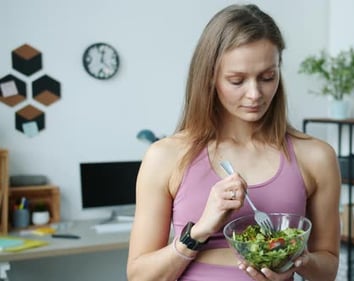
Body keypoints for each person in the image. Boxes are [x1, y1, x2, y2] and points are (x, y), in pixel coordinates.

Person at [127, 3, 340, 281]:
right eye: (236, 80)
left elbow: (328, 270)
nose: (255, 94)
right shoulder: (165, 156)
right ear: (209, 78)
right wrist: (199, 231)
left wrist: (298, 260)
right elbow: (139, 276)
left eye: (267, 77)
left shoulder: (316, 157)